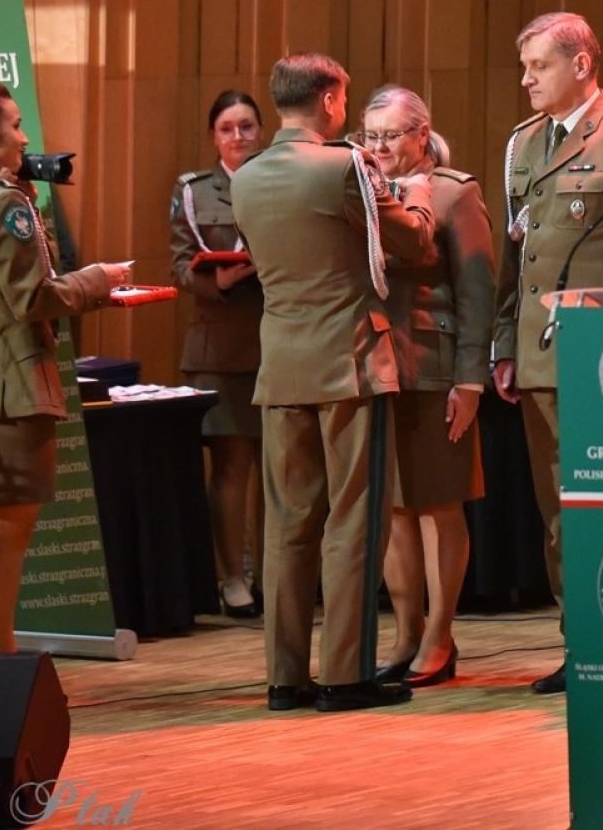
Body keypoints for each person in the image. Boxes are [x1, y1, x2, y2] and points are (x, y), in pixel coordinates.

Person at [231, 53, 436, 713]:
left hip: (280, 364)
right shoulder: (344, 168)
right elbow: (412, 244)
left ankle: (284, 675)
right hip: (348, 362)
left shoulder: (247, 176)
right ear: (327, 101)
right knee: (353, 519)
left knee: (288, 524)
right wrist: (420, 198)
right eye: (343, 100)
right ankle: (345, 673)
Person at [490, 12, 603, 695]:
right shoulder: (524, 145)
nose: (526, 79)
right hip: (539, 357)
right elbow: (519, 255)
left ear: (580, 65)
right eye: (525, 66)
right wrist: (503, 343)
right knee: (560, 512)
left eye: (538, 66)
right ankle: (580, 642)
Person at [0, 74, 131, 653]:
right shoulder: (3, 206)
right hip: (15, 384)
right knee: (8, 538)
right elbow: (31, 298)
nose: (24, 137)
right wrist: (98, 280)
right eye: (14, 126)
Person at [359, 86, 494, 688]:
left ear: (421, 134)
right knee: (393, 509)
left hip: (438, 369)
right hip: (377, 368)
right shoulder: (361, 190)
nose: (380, 146)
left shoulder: (454, 192)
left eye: (391, 134)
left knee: (438, 504)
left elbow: (477, 292)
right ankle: (405, 632)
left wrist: (470, 380)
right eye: (371, 135)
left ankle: (441, 636)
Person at [169, 89, 266, 619]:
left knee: (282, 470)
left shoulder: (280, 179)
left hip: (279, 336)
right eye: (227, 128)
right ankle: (233, 577)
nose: (238, 137)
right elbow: (180, 265)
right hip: (221, 338)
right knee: (231, 466)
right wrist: (220, 279)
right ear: (214, 135)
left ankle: (278, 577)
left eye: (247, 126)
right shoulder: (194, 191)